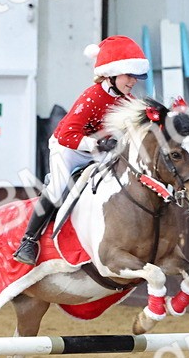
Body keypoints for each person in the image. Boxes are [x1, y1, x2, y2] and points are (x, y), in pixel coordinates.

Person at [13, 35, 149, 265]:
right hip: (69, 149)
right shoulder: (91, 97)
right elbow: (67, 136)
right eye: (129, 75)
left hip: (101, 152)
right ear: (111, 74)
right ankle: (28, 241)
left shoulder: (128, 99)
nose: (133, 81)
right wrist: (96, 144)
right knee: (57, 189)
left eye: (136, 76)